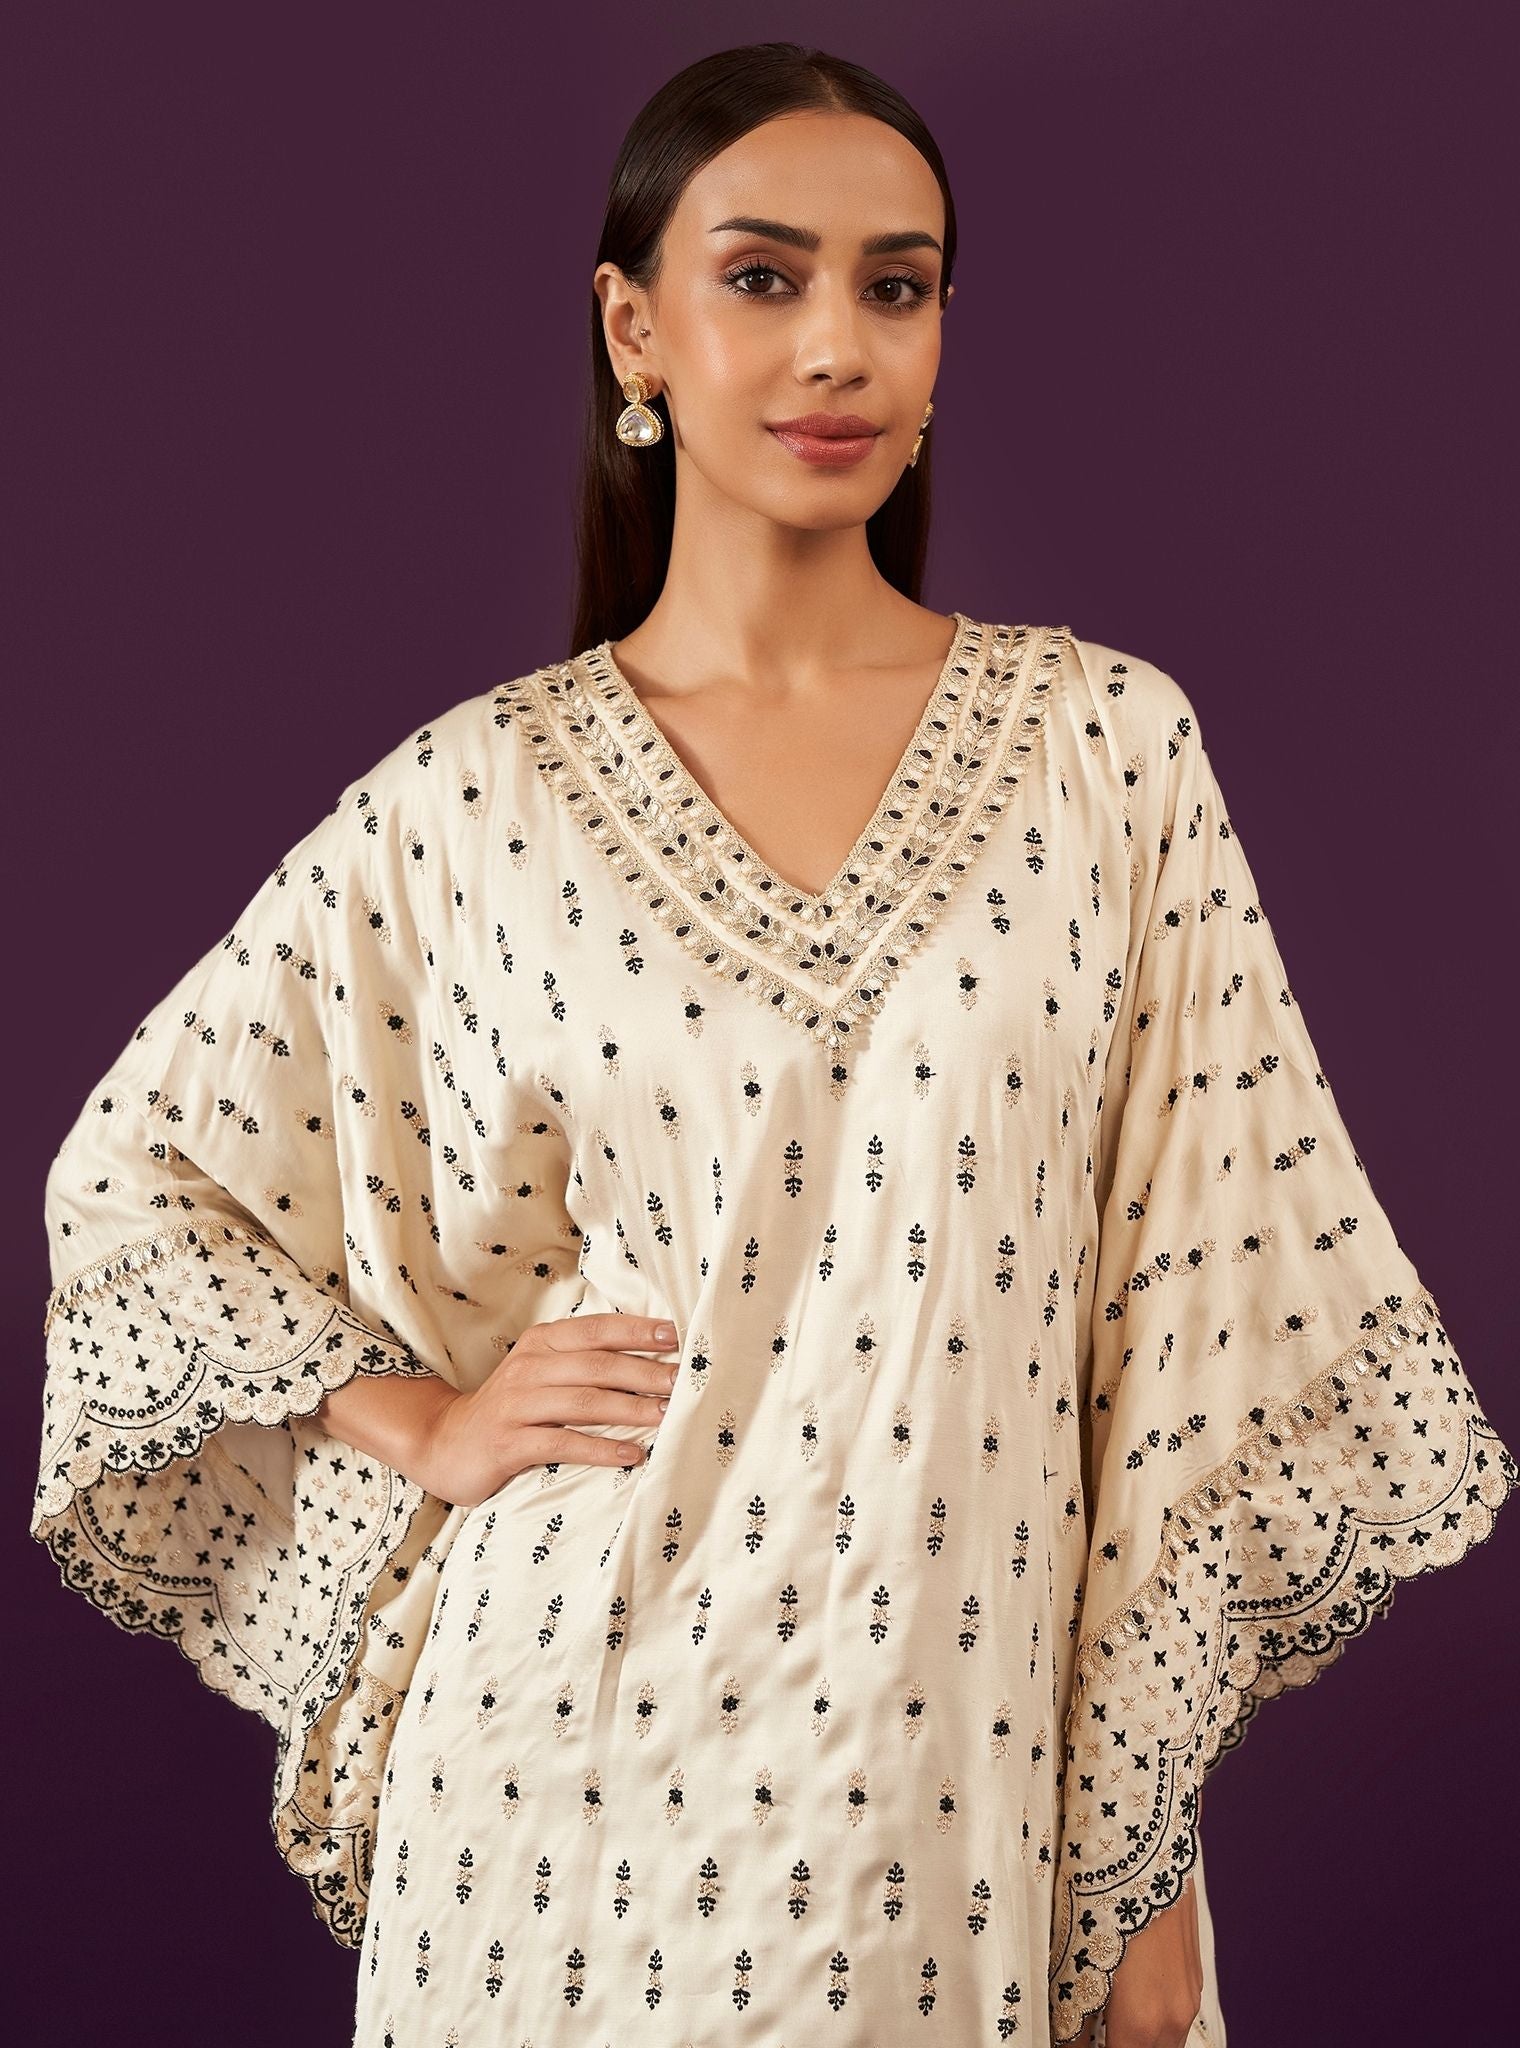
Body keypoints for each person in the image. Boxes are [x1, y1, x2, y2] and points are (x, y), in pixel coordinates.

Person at [31, 42, 1514, 2048]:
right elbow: (136, 1182)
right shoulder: (477, 796)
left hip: (955, 1795)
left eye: (895, 287)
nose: (837, 345)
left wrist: (1146, 1859)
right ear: (632, 329)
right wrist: (429, 1425)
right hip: (556, 1803)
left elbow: (1180, 1347)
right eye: (762, 276)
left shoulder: (1107, 754)